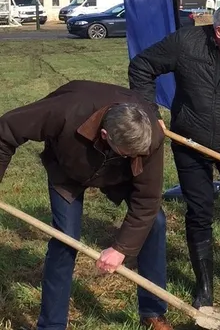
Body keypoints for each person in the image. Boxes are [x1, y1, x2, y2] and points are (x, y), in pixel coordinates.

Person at [128, 1, 220, 307]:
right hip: (190, 143)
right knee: (200, 212)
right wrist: (150, 111)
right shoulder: (186, 43)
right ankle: (205, 290)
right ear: (219, 31)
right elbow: (141, 67)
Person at [0, 80, 171, 330]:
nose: (135, 156)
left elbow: (147, 200)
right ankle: (51, 325)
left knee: (155, 222)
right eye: (128, 153)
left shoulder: (150, 138)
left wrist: (121, 248)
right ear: (104, 135)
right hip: (68, 170)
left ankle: (153, 311)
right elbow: (6, 131)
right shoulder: (64, 110)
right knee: (65, 240)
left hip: (118, 174)